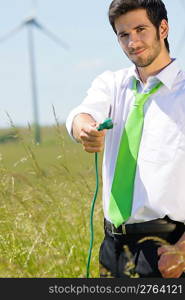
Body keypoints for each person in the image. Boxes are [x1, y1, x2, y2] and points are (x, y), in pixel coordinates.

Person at [66, 0, 185, 278]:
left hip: (166, 250)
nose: (133, 42)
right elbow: (81, 114)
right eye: (123, 35)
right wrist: (84, 129)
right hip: (112, 247)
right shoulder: (111, 83)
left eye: (141, 29)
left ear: (163, 28)